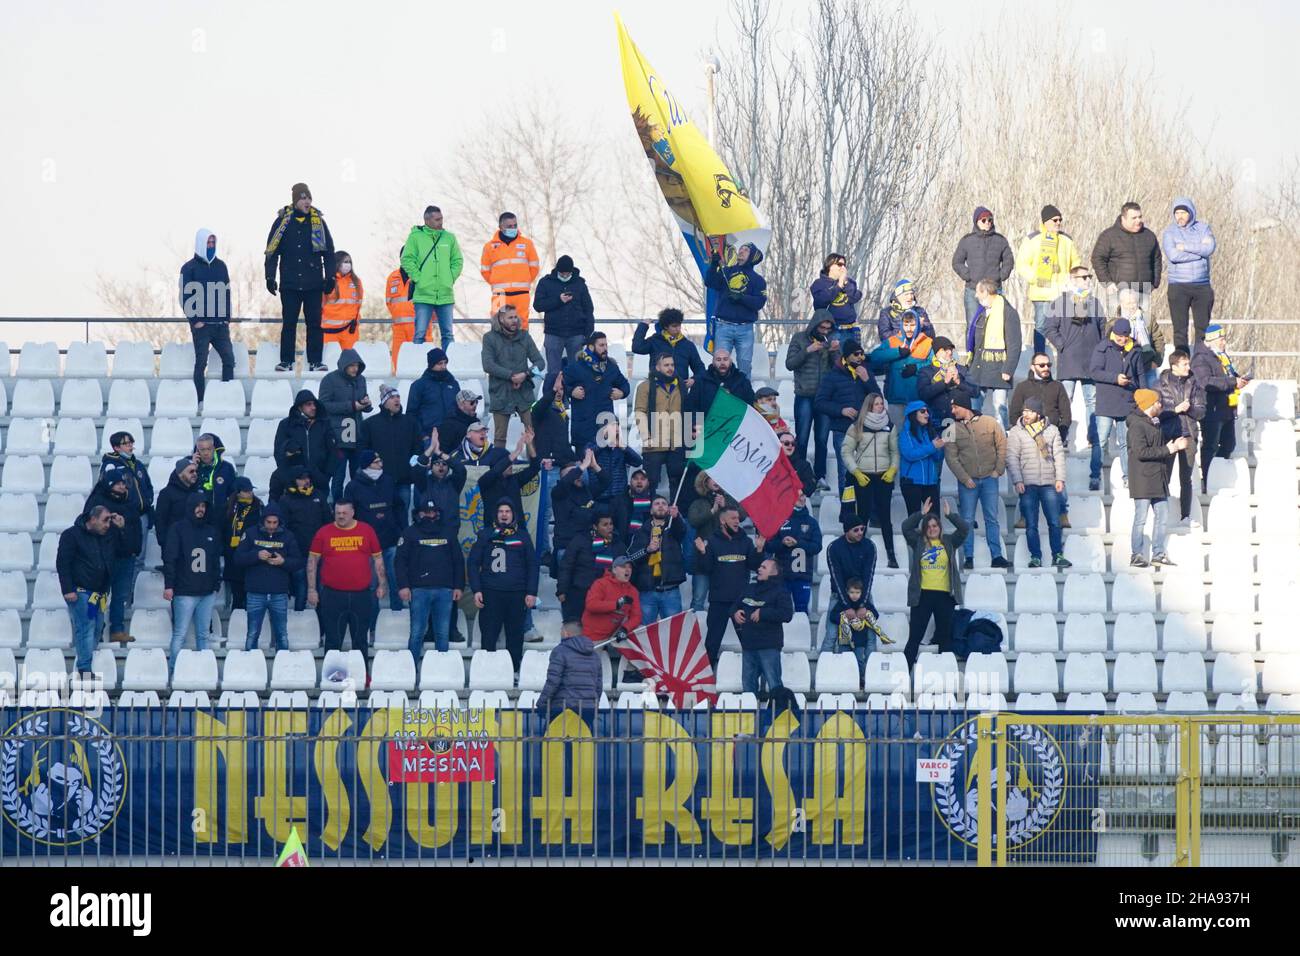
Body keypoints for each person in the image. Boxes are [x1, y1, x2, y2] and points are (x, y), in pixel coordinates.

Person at [1043, 264, 1107, 489]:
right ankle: (1063, 435)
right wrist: (1063, 346)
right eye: (1083, 277)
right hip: (1069, 360)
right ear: (1072, 280)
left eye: (1089, 277)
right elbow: (1048, 328)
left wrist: (1099, 352)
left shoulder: (1094, 303)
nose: (1087, 280)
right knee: (1064, 401)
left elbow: (1103, 328)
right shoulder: (1060, 302)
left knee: (1092, 402)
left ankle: (1092, 436)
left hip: (1091, 362)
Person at [308, 500, 386, 677]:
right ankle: (332, 679)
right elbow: (312, 562)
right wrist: (312, 589)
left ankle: (361, 677)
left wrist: (382, 584)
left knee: (360, 640)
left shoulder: (367, 530)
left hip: (361, 595)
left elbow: (378, 560)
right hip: (332, 595)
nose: (340, 516)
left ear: (352, 512)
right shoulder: (324, 532)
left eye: (344, 512)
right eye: (337, 513)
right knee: (333, 640)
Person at [265, 182, 335, 372]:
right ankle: (286, 360)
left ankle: (315, 361)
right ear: (295, 201)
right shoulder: (282, 222)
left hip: (313, 283)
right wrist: (269, 277)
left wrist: (330, 277)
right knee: (289, 323)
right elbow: (272, 251)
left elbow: (329, 252)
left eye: (309, 198)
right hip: (290, 283)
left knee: (314, 324)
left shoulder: (318, 222)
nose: (307, 201)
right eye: (303, 198)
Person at [467, 501, 539, 671]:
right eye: (500, 511)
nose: (504, 514)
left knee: (515, 637)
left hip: (516, 594)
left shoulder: (522, 536)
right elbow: (472, 564)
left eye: (507, 511)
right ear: (496, 514)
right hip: (491, 593)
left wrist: (531, 592)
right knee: (489, 635)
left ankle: (513, 671)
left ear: (513, 514)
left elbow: (532, 565)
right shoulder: (485, 534)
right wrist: (476, 589)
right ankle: (487, 671)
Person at [901, 498, 969, 670]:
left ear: (940, 527)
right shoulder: (918, 542)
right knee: (914, 637)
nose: (932, 529)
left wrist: (950, 515)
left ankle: (944, 677)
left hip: (945, 596)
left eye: (935, 526)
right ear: (925, 529)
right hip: (922, 595)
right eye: (928, 526)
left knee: (945, 639)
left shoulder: (949, 541)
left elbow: (964, 529)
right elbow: (905, 527)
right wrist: (921, 514)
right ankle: (903, 676)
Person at [1009, 353, 1073, 530]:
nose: (1046, 368)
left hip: (1052, 438)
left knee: (1056, 475)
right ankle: (1024, 515)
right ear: (1032, 366)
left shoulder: (1057, 386)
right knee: (1027, 479)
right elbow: (1014, 413)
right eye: (1042, 365)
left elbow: (1066, 414)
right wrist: (1024, 432)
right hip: (1027, 440)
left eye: (1048, 365)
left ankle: (1062, 512)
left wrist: (1060, 432)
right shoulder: (1022, 388)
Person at [1005, 397, 1071, 570]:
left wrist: (1060, 479)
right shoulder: (1016, 432)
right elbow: (1012, 458)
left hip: (1049, 482)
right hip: (1027, 484)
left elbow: (1058, 456)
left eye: (1030, 411)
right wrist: (1017, 480)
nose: (1026, 414)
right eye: (1025, 411)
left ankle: (1057, 555)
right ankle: (1036, 556)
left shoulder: (1052, 430)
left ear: (1038, 413)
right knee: (1031, 524)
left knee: (1055, 522)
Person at [945, 394, 1009, 571]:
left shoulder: (989, 422)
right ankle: (969, 557)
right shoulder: (950, 428)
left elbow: (1002, 445)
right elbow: (951, 458)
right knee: (967, 520)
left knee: (992, 519)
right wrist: (965, 478)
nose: (952, 411)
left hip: (989, 478)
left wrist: (999, 469)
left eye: (955, 407)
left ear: (964, 406)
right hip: (968, 482)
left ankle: (996, 556)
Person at [82, 465, 145, 644]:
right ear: (110, 484)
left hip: (126, 556)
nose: (123, 487)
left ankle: (117, 629)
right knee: (97, 594)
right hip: (103, 558)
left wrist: (134, 547)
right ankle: (95, 628)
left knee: (120, 595)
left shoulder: (129, 502)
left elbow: (135, 527)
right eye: (119, 484)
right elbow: (89, 528)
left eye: (124, 484)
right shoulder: (96, 503)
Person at [695, 505, 763, 668]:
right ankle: (707, 682)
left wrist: (759, 550)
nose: (737, 521)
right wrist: (703, 553)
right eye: (733, 518)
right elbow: (706, 569)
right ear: (722, 520)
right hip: (719, 601)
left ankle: (755, 681)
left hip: (741, 602)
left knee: (748, 643)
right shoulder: (711, 541)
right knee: (712, 643)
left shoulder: (746, 541)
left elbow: (755, 566)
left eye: (738, 519)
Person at [395, 498, 465, 656]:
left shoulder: (448, 532)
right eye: (426, 512)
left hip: (445, 590)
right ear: (419, 513)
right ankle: (411, 671)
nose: (430, 515)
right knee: (417, 633)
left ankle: (441, 672)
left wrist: (459, 586)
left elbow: (458, 562)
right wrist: (403, 586)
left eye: (433, 512)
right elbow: (400, 562)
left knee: (442, 634)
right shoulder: (409, 533)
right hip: (418, 590)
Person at [840, 392, 900, 567]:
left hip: (883, 476)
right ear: (869, 406)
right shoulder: (857, 426)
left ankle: (891, 554)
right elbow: (846, 451)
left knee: (885, 516)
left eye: (882, 403)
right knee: (862, 516)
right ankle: (859, 553)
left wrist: (892, 469)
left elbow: (894, 452)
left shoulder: (890, 425)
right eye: (876, 404)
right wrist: (856, 472)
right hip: (863, 477)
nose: (880, 407)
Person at [162, 494, 222, 671]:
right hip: (185, 591)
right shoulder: (178, 529)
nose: (201, 509)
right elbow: (170, 558)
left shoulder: (211, 531)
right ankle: (173, 673)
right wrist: (169, 585)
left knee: (203, 635)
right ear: (190, 507)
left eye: (203, 506)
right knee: (180, 634)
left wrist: (216, 584)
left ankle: (205, 672)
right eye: (197, 506)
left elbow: (215, 560)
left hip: (207, 592)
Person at [57, 506, 118, 676]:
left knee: (97, 628)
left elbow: (129, 550)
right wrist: (68, 589)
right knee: (86, 627)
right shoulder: (71, 535)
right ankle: (84, 668)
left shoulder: (107, 535)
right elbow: (63, 563)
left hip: (100, 594)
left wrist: (121, 529)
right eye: (105, 520)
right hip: (81, 592)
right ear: (92, 519)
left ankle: (84, 664)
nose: (108, 524)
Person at [1127, 389, 1183, 568]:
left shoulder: (1154, 422)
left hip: (1158, 478)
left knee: (1163, 516)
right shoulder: (1137, 425)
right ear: (1149, 405)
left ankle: (1158, 553)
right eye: (1158, 402)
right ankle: (1136, 554)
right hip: (1143, 479)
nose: (1161, 405)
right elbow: (1141, 452)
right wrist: (1169, 449)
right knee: (1140, 518)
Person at [814, 341, 881, 494]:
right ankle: (847, 512)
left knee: (868, 470)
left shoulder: (866, 373)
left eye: (862, 354)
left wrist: (867, 381)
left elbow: (878, 399)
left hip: (866, 429)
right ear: (846, 356)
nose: (860, 357)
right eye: (856, 354)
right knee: (845, 472)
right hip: (843, 430)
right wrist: (841, 410)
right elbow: (819, 402)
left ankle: (864, 512)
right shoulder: (832, 376)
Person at [1015, 204, 1082, 353]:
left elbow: (1075, 263)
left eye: (1060, 220)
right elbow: (1021, 264)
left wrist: (1073, 281)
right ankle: (1039, 360)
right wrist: (1035, 278)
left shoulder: (1066, 240)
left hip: (1063, 294)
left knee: (1065, 328)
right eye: (1055, 220)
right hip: (1042, 294)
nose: (1058, 223)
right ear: (1045, 222)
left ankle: (1065, 362)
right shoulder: (1033, 239)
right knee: (1041, 327)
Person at [344, 449, 403, 618]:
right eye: (377, 462)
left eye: (380, 461)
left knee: (395, 581)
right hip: (367, 545)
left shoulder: (388, 481)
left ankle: (396, 618)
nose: (381, 465)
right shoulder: (353, 487)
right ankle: (372, 625)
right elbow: (348, 514)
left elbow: (399, 506)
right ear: (366, 466)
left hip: (390, 540)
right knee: (371, 585)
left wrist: (400, 529)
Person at [179, 227, 235, 401]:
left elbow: (226, 292)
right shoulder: (189, 268)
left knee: (229, 359)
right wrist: (195, 320)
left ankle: (227, 398)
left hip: (220, 326)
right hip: (202, 326)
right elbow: (185, 295)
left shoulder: (221, 266)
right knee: (201, 363)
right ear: (200, 243)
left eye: (213, 242)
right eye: (208, 242)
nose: (211, 245)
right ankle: (201, 401)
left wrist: (226, 318)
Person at [236, 503, 302, 651]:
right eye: (268, 522)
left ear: (279, 521)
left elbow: (298, 562)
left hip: (279, 592)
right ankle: (250, 667)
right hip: (255, 592)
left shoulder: (288, 536)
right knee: (252, 634)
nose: (272, 526)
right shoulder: (251, 533)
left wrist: (283, 561)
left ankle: (283, 668)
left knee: (282, 635)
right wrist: (256, 555)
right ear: (263, 520)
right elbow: (238, 558)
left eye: (275, 522)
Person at [1192, 324, 1249, 493]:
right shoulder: (1200, 358)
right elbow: (1206, 382)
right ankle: (1208, 479)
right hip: (1212, 408)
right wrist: (1232, 382)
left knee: (1229, 444)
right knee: (1210, 445)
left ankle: (1219, 476)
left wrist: (1238, 380)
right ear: (1212, 340)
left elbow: (1227, 375)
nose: (1224, 342)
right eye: (1221, 339)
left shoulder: (1221, 356)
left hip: (1226, 408)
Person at [785, 310, 837, 487]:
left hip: (824, 398)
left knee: (822, 439)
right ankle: (800, 474)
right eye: (822, 328)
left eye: (828, 329)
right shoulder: (799, 338)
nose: (824, 331)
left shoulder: (830, 341)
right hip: (804, 396)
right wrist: (808, 350)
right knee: (802, 437)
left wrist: (834, 351)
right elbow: (789, 363)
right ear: (815, 325)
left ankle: (820, 475)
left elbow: (838, 367)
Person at [1088, 317, 1143, 487]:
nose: (1122, 339)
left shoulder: (1135, 350)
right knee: (1101, 441)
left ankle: (1128, 477)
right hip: (1106, 403)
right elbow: (1094, 372)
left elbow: (1140, 375)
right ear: (1113, 334)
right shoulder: (1102, 348)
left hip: (1127, 402)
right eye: (1119, 335)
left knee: (1126, 443)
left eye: (1125, 336)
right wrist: (1115, 379)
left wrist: (1143, 396)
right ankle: (1095, 476)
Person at [401, 205, 464, 348]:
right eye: (437, 219)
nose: (441, 222)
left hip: (445, 294)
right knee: (420, 334)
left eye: (441, 218)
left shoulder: (449, 238)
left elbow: (458, 260)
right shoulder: (415, 237)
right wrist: (419, 278)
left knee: (448, 334)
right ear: (427, 220)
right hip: (423, 294)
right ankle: (419, 365)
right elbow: (407, 259)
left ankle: (447, 365)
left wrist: (449, 278)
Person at [360, 384, 423, 526]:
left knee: (402, 517)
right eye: (392, 397)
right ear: (384, 401)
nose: (397, 400)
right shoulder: (370, 424)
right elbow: (363, 450)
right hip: (380, 482)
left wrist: (411, 467)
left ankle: (402, 546)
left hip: (403, 480)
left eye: (398, 396)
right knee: (382, 518)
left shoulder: (410, 422)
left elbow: (418, 448)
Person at [482, 305, 543, 447]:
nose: (514, 320)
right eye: (510, 317)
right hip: (501, 393)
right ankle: (499, 467)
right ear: (501, 319)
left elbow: (540, 362)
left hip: (524, 392)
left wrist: (526, 374)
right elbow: (488, 365)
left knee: (532, 433)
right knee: (500, 436)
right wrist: (511, 376)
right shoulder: (489, 338)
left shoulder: (525, 336)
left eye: (516, 317)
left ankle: (533, 466)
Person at [1156, 349, 1206, 524]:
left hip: (1189, 436)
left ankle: (1185, 516)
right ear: (1174, 366)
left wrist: (1189, 408)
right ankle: (1161, 517)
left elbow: (1201, 412)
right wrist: (1175, 410)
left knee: (1186, 479)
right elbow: (1155, 412)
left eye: (1188, 363)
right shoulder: (1160, 384)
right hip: (1168, 436)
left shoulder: (1194, 383)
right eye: (1184, 364)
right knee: (1165, 478)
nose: (1188, 367)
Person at [965, 279, 1022, 429]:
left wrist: (1008, 369)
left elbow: (1015, 344)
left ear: (986, 292)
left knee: (1000, 409)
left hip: (999, 369)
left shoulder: (1008, 313)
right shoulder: (981, 312)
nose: (976, 296)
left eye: (978, 292)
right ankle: (974, 439)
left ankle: (1002, 442)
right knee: (974, 409)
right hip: (979, 368)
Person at [732, 557, 793, 697]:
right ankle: (750, 718)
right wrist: (735, 613)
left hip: (769, 646)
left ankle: (778, 716)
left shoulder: (781, 592)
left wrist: (763, 613)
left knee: (775, 686)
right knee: (748, 688)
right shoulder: (749, 588)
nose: (759, 569)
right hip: (748, 646)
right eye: (760, 566)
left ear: (774, 573)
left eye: (763, 567)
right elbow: (735, 606)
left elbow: (787, 615)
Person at [1162, 197, 1217, 350]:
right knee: (1180, 330)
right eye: (1177, 213)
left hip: (1202, 286)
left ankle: (1202, 363)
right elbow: (1173, 255)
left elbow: (1209, 248)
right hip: (1178, 286)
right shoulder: (1170, 233)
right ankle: (1182, 365)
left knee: (1203, 329)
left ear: (1191, 213)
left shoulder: (1203, 228)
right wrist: (1199, 252)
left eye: (1183, 213)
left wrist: (1184, 246)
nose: (1180, 216)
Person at [705, 243, 767, 377]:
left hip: (745, 329)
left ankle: (743, 396)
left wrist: (741, 297)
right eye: (741, 249)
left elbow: (759, 302)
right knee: (720, 364)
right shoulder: (726, 271)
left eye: (746, 250)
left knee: (744, 366)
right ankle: (720, 393)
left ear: (753, 256)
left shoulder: (758, 280)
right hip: (723, 326)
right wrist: (714, 265)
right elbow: (710, 282)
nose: (741, 251)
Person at [686, 471, 743, 614]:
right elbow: (693, 521)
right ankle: (696, 630)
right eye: (712, 478)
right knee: (698, 598)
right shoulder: (698, 503)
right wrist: (712, 511)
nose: (716, 481)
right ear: (705, 482)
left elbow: (742, 515)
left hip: (725, 556)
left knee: (725, 597)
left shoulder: (730, 501)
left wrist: (725, 507)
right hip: (703, 557)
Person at [318, 348, 371, 500]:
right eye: (352, 365)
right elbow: (323, 406)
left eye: (357, 365)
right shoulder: (329, 379)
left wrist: (365, 404)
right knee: (338, 477)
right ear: (344, 365)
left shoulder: (361, 380)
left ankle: (357, 508)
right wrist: (352, 406)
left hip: (357, 435)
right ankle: (337, 508)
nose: (355, 368)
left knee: (358, 476)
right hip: (338, 437)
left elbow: (361, 403)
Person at [1093, 202, 1162, 313]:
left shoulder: (1149, 235)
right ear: (1123, 218)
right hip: (1119, 291)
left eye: (1140, 217)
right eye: (1133, 218)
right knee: (1120, 327)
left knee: (1143, 326)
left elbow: (1157, 259)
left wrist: (1155, 283)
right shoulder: (1109, 236)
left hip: (1143, 290)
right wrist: (1107, 282)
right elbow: (1097, 259)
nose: (1138, 220)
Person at [558, 510, 626, 622]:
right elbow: (566, 565)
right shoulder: (580, 541)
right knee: (575, 629)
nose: (609, 527)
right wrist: (562, 590)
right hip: (579, 593)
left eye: (611, 524)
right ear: (595, 526)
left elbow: (624, 571)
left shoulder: (618, 544)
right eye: (605, 524)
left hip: (605, 596)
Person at [566, 331, 629, 451]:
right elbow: (560, 385)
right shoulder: (576, 367)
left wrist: (621, 393)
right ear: (591, 347)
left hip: (605, 427)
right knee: (585, 466)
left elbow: (625, 385)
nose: (605, 348)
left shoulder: (611, 366)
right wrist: (572, 391)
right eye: (601, 345)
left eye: (606, 345)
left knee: (605, 468)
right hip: (584, 427)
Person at [634, 352, 687, 495]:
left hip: (676, 443)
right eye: (666, 365)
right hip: (653, 443)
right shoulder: (645, 386)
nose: (670, 368)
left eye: (672, 365)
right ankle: (650, 515)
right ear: (657, 367)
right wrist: (646, 437)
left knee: (677, 483)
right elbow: (640, 412)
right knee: (650, 483)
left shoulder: (681, 385)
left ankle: (676, 516)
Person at [279, 466, 331, 611]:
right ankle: (299, 624)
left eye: (307, 478)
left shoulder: (318, 496)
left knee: (321, 589)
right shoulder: (286, 500)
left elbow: (328, 521)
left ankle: (322, 628)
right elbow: (284, 528)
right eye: (302, 478)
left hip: (319, 552)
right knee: (301, 590)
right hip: (298, 553)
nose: (306, 481)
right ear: (294, 480)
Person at [823, 516, 877, 653]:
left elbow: (868, 576)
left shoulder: (869, 546)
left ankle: (870, 671)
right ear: (847, 531)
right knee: (831, 636)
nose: (860, 532)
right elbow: (836, 578)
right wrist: (847, 606)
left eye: (862, 529)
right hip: (839, 596)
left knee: (871, 636)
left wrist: (862, 604)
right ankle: (823, 669)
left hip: (862, 595)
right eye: (856, 530)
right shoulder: (834, 547)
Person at [952, 206, 1014, 323]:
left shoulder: (1000, 240)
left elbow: (1008, 260)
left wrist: (1001, 275)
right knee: (973, 325)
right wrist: (968, 276)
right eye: (984, 220)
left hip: (994, 290)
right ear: (977, 222)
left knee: (996, 323)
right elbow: (957, 262)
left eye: (990, 220)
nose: (987, 223)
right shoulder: (967, 241)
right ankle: (972, 343)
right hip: (973, 290)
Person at [870, 308, 933, 423]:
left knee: (917, 435)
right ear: (901, 325)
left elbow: (934, 365)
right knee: (896, 436)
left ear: (918, 325)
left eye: (913, 325)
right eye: (906, 324)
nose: (909, 329)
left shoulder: (928, 343)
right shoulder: (892, 341)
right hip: (896, 398)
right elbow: (875, 357)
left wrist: (917, 368)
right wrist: (897, 352)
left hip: (918, 399)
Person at [628, 496, 686, 622]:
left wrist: (676, 518)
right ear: (651, 510)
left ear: (668, 509)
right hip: (647, 591)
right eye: (657, 503)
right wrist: (646, 550)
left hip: (670, 590)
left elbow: (681, 531)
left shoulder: (674, 529)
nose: (660, 506)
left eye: (664, 504)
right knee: (645, 632)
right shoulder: (640, 532)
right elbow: (631, 558)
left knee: (674, 630)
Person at [534, 254, 595, 372]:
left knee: (577, 371)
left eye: (568, 274)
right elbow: (538, 305)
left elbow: (588, 309)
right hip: (553, 333)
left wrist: (588, 334)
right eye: (562, 274)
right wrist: (559, 300)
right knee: (553, 371)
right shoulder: (545, 282)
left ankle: (573, 390)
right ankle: (553, 390)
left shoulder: (580, 284)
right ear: (557, 271)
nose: (565, 276)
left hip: (576, 334)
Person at [100, 431, 154, 563]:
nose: (130, 446)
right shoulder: (111, 466)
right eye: (126, 443)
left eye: (131, 442)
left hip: (141, 515)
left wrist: (148, 500)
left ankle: (133, 584)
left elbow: (148, 486)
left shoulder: (138, 464)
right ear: (116, 447)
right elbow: (106, 491)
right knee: (126, 556)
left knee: (139, 556)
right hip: (124, 516)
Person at [550, 454, 608, 574]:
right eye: (574, 473)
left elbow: (606, 482)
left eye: (579, 473)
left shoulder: (586, 491)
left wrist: (595, 466)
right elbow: (566, 482)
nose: (578, 475)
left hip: (586, 547)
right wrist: (582, 466)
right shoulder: (558, 493)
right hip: (566, 547)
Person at [480, 211, 540, 327]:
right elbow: (485, 270)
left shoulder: (527, 244)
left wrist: (524, 281)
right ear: (501, 227)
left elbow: (534, 267)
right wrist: (497, 282)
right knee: (498, 323)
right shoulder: (489, 246)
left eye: (515, 225)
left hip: (521, 294)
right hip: (500, 294)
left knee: (521, 324)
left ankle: (521, 346)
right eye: (509, 226)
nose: (513, 228)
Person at [765, 491, 821, 612]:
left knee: (802, 612)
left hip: (802, 576)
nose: (803, 499)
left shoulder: (812, 523)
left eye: (803, 495)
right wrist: (782, 543)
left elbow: (817, 547)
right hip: (782, 576)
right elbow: (768, 546)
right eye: (799, 496)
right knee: (781, 610)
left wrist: (798, 543)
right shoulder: (779, 520)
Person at [535, 620, 604, 716]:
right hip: (588, 709)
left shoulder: (560, 651)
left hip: (563, 707)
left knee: (552, 731)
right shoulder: (594, 655)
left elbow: (553, 681)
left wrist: (542, 703)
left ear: (566, 633)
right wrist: (594, 704)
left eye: (561, 630)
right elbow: (598, 685)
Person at [273, 389, 334, 493]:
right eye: (308, 404)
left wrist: (326, 476)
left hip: (319, 482)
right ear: (299, 407)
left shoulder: (325, 424)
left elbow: (333, 452)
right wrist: (291, 477)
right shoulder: (285, 425)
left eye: (314, 404)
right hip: (296, 482)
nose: (313, 407)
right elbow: (279, 452)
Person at [477, 431, 540, 529]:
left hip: (517, 531)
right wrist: (516, 452)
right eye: (508, 463)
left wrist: (529, 444)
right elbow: (495, 471)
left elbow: (535, 467)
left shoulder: (515, 479)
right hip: (493, 533)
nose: (511, 465)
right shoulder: (486, 482)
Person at [587, 418, 642, 528]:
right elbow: (587, 455)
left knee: (621, 531)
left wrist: (624, 448)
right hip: (600, 498)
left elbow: (637, 462)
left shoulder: (621, 447)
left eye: (617, 426)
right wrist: (605, 442)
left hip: (619, 497)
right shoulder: (592, 444)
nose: (616, 429)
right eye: (612, 426)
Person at [632, 308, 706, 386]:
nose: (678, 329)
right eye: (674, 326)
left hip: (679, 390)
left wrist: (694, 379)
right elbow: (637, 347)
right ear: (665, 327)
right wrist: (643, 326)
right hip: (657, 388)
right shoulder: (654, 341)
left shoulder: (688, 345)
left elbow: (699, 368)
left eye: (679, 325)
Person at [898, 401, 946, 517]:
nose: (927, 414)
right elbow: (910, 454)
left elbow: (937, 458)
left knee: (934, 519)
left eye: (928, 411)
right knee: (914, 521)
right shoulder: (905, 433)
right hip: (911, 482)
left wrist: (940, 447)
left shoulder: (930, 432)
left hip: (930, 482)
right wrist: (932, 447)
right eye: (923, 411)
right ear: (913, 414)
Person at [221, 477, 262, 611]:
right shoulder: (228, 507)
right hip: (233, 557)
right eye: (246, 491)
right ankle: (237, 625)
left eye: (250, 490)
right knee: (237, 597)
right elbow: (222, 529)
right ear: (238, 492)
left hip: (252, 557)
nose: (250, 493)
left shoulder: (259, 507)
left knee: (252, 598)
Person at [582, 555, 643, 644]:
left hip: (614, 634)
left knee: (640, 629)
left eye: (630, 567)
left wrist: (625, 629)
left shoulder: (633, 591)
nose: (628, 570)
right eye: (623, 567)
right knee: (594, 656)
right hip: (593, 636)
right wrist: (616, 604)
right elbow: (591, 605)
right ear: (614, 570)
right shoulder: (600, 584)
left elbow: (636, 616)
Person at [828, 576, 881, 677]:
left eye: (857, 592)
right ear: (847, 592)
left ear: (862, 593)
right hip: (844, 640)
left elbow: (876, 615)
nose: (855, 595)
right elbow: (832, 617)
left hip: (860, 640)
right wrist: (844, 617)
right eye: (852, 592)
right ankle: (844, 680)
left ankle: (860, 680)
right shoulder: (843, 604)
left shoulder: (865, 604)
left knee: (859, 661)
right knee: (844, 661)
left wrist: (866, 613)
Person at [1114, 288, 1165, 388]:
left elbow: (1158, 339)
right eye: (1128, 303)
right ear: (1122, 304)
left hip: (1147, 365)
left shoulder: (1147, 318)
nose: (1132, 306)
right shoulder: (1115, 322)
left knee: (1151, 398)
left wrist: (1157, 360)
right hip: (1125, 370)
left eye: (1134, 302)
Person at [687, 346, 756, 420]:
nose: (722, 363)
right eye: (718, 360)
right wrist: (699, 430)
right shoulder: (701, 381)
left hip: (734, 427)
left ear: (731, 361)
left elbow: (750, 409)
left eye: (725, 359)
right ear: (713, 362)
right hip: (707, 427)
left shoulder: (742, 381)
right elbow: (691, 409)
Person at [917, 336, 973, 424]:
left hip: (959, 422)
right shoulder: (926, 371)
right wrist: (944, 382)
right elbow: (923, 394)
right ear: (936, 353)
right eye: (945, 350)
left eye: (950, 349)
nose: (949, 352)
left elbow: (975, 392)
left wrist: (959, 382)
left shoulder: (961, 369)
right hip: (936, 421)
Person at [809, 253, 864, 345]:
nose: (842, 268)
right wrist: (839, 286)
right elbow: (822, 301)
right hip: (832, 330)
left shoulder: (849, 282)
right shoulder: (819, 283)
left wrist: (845, 283)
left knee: (855, 357)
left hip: (852, 329)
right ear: (829, 265)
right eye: (839, 264)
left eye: (844, 265)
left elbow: (853, 298)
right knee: (835, 357)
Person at [193, 433, 238, 527]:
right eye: (202, 450)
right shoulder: (189, 466)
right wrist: (193, 467)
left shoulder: (227, 467)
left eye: (208, 449)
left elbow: (234, 493)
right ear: (197, 451)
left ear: (214, 449)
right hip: (196, 520)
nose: (205, 453)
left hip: (220, 520)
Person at [321, 250, 362, 351]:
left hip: (349, 331)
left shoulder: (356, 282)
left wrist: (355, 322)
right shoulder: (328, 281)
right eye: (345, 262)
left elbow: (358, 304)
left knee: (349, 363)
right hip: (329, 331)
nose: (347, 265)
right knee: (330, 361)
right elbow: (319, 305)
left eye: (349, 262)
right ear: (337, 263)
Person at [154, 458, 199, 551]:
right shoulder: (166, 493)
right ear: (180, 474)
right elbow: (160, 520)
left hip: (195, 545)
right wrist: (165, 543)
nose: (195, 474)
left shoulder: (198, 493)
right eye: (191, 471)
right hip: (174, 546)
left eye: (195, 471)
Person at [385, 248, 416, 370]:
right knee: (398, 364)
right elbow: (389, 302)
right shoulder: (392, 277)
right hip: (398, 329)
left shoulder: (421, 276)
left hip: (419, 327)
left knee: (419, 363)